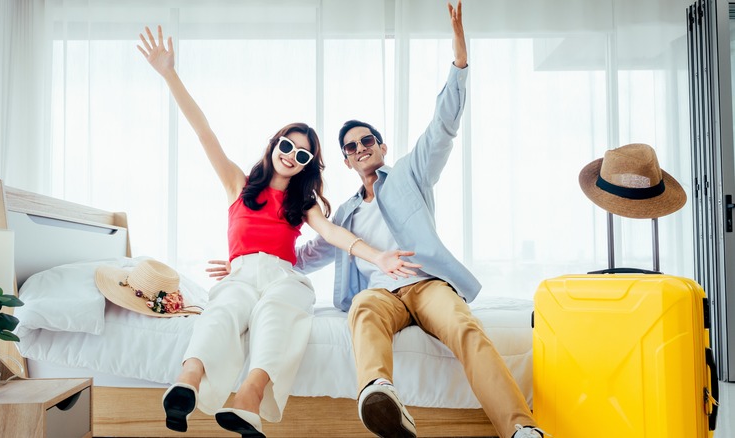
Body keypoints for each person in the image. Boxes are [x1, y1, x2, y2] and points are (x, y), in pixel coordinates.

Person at [211, 2, 546, 438]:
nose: (360, 148)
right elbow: (305, 254)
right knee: (363, 313)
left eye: (366, 140)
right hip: (379, 294)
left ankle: (521, 429)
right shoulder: (344, 214)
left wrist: (459, 58)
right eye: (350, 147)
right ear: (346, 161)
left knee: (466, 328)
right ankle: (380, 395)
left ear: (381, 147)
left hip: (427, 285)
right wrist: (245, 263)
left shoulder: (410, 174)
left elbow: (444, 124)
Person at [137, 26, 421, 437]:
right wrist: (169, 74)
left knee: (278, 316)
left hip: (283, 276)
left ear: (307, 165)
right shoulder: (238, 185)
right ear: (273, 146)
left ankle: (247, 400)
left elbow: (334, 233)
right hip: (242, 273)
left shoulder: (300, 205)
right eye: (286, 146)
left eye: (302, 154)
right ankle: (187, 383)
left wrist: (377, 256)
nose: (291, 156)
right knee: (222, 312)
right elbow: (204, 133)